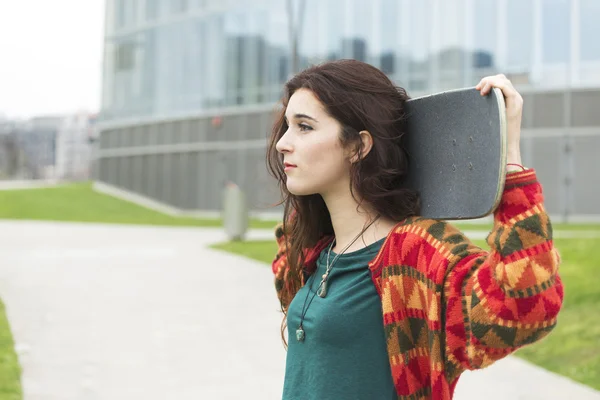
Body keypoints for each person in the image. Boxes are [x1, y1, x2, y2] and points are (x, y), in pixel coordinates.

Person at [266, 59, 563, 400]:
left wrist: (508, 159)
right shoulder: (312, 250)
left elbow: (526, 305)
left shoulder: (412, 252)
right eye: (286, 126)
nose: (282, 143)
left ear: (358, 146)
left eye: (304, 127)